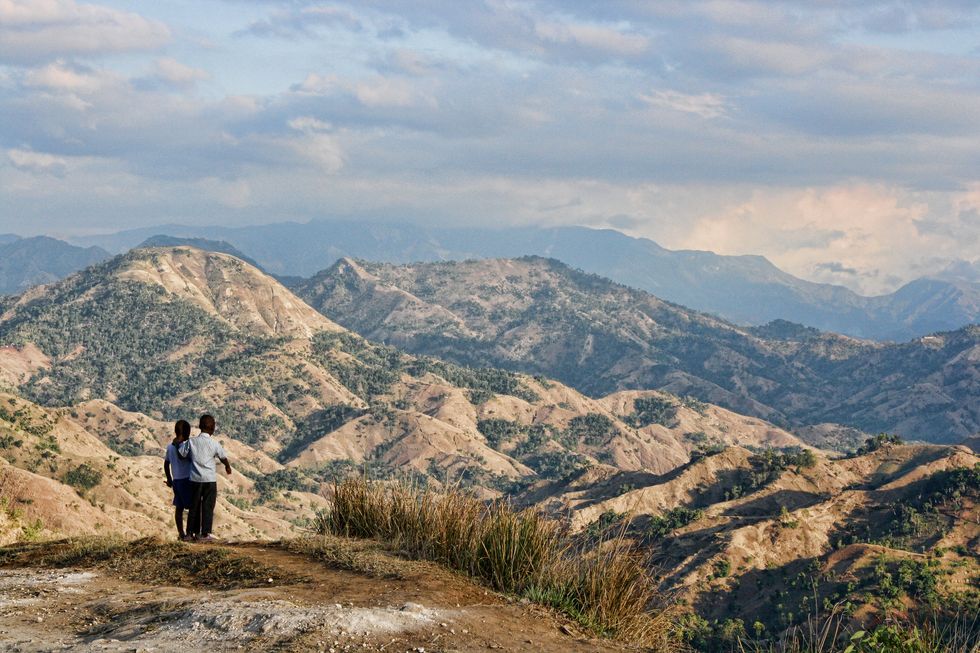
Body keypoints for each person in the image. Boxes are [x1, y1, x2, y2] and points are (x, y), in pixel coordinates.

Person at [178, 414, 231, 541]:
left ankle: (191, 533)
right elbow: (223, 457)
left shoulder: (191, 441)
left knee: (194, 506)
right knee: (208, 506)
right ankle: (205, 534)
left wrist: (180, 446)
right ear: (213, 428)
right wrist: (227, 467)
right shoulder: (214, 443)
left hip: (195, 479)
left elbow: (181, 454)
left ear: (200, 426)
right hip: (209, 480)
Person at [163, 419, 193, 540]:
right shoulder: (186, 447)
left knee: (179, 508)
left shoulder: (170, 447)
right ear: (187, 433)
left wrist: (169, 479)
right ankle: (190, 533)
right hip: (187, 480)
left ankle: (181, 533)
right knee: (192, 507)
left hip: (176, 481)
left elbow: (166, 464)